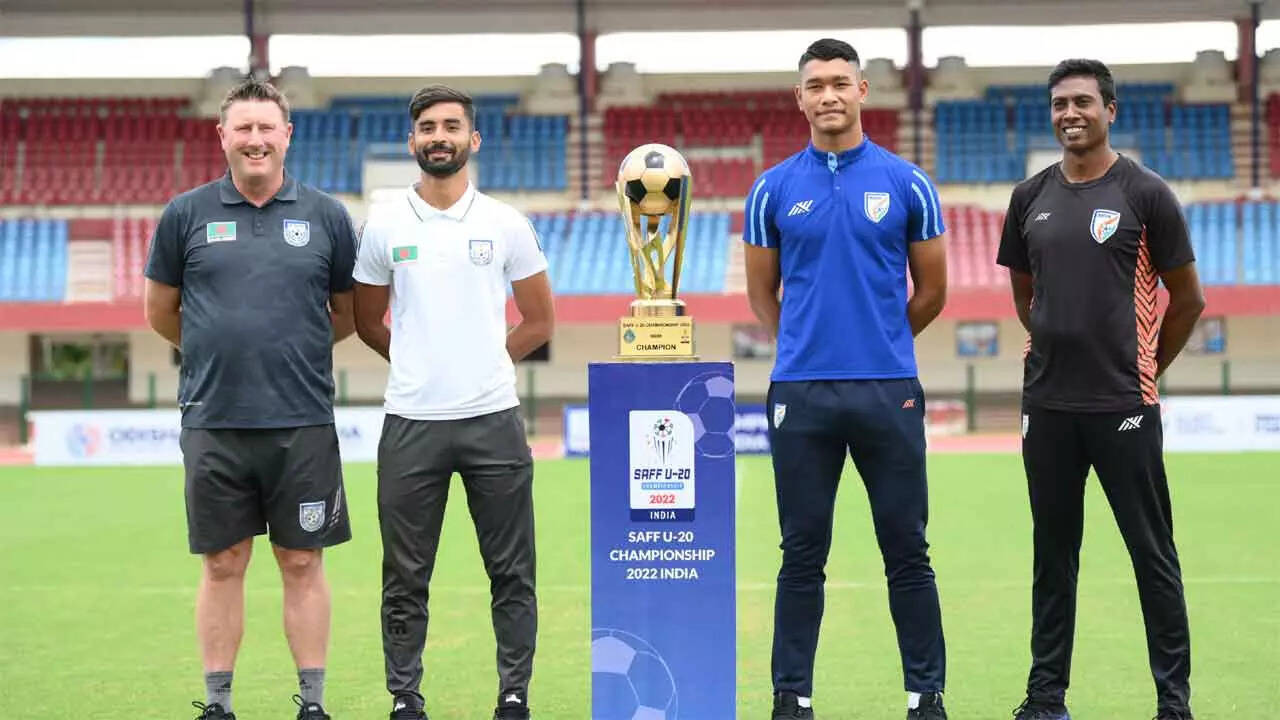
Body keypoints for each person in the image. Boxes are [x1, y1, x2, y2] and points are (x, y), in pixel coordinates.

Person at [744, 38, 950, 720]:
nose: (828, 94)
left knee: (907, 549)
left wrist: (881, 342)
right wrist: (807, 347)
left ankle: (926, 696)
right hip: (801, 393)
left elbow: (932, 292)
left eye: (840, 82)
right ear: (799, 98)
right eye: (815, 85)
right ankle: (791, 697)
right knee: (801, 552)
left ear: (862, 90)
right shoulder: (771, 189)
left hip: (888, 389)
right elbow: (762, 294)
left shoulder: (908, 183)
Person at [143, 79, 358, 720]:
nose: (256, 139)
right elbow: (160, 311)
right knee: (222, 562)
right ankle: (218, 705)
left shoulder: (326, 216)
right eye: (244, 128)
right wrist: (218, 349)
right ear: (223, 136)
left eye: (267, 127)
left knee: (301, 560)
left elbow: (347, 313)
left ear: (287, 135)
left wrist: (289, 348)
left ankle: (312, 705)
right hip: (214, 420)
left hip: (303, 421)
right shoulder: (185, 215)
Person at [997, 59, 1204, 720]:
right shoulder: (1028, 198)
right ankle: (1044, 699)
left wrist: (1144, 367)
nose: (1070, 114)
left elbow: (1188, 300)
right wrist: (1056, 345)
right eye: (1060, 103)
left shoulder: (1146, 193)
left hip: (1124, 407)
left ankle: (1173, 703)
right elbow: (1027, 296)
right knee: (1053, 559)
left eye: (1083, 102)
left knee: (1152, 556)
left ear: (1110, 110)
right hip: (1048, 407)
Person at [352, 84, 555, 720]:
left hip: (493, 421)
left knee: (511, 572)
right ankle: (405, 697)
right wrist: (418, 363)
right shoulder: (384, 224)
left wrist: (487, 363)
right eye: (428, 128)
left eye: (451, 126)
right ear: (412, 140)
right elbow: (367, 321)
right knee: (404, 576)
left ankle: (514, 695)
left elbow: (539, 321)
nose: (439, 137)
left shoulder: (505, 223)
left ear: (473, 138)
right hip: (411, 424)